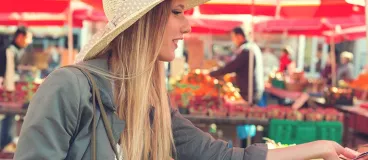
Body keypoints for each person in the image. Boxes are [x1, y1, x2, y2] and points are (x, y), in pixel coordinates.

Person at [14, 0, 362, 160]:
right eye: (177, 11)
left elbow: (218, 155)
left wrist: (316, 150)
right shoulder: (68, 87)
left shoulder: (153, 103)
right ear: (143, 21)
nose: (188, 26)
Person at [210, 27, 264, 104]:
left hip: (250, 91)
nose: (233, 40)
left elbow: (232, 66)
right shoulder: (252, 47)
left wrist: (213, 73)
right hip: (254, 89)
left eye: (233, 37)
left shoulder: (246, 50)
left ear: (239, 36)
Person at [0, 26, 33, 149]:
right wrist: (10, 92)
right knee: (8, 116)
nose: (29, 41)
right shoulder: (10, 51)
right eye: (28, 38)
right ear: (20, 37)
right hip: (6, 91)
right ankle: (4, 144)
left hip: (7, 90)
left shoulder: (13, 50)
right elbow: (8, 73)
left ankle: (6, 143)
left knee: (9, 117)